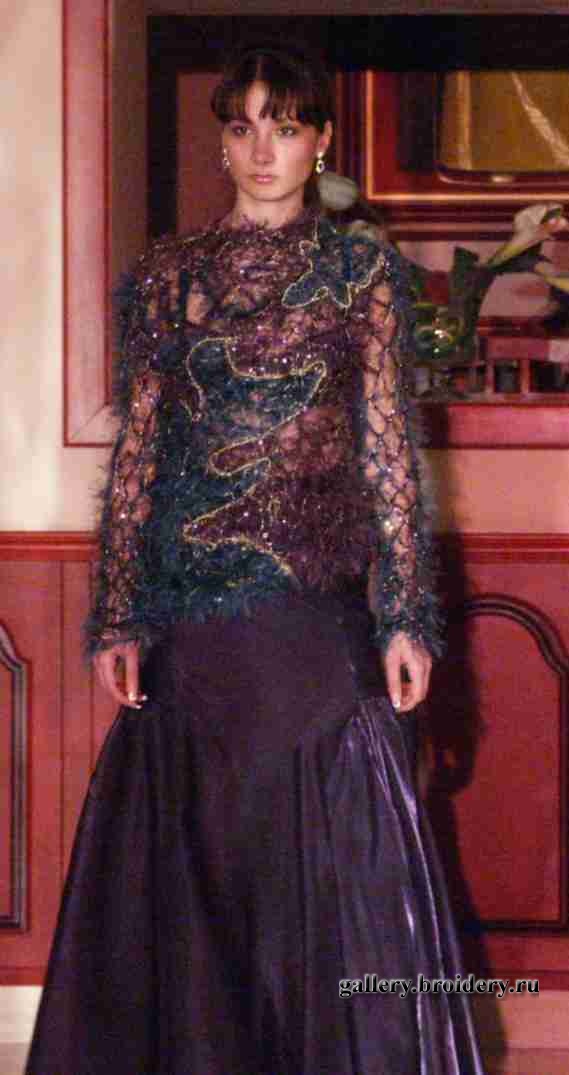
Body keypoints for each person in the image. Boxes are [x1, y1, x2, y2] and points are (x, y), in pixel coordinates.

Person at [26, 42, 485, 1075]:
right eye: (242, 128)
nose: (262, 149)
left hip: (314, 617)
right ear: (222, 144)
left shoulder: (359, 273)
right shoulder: (169, 277)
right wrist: (118, 613)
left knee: (324, 869)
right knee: (206, 865)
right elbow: (142, 450)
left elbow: (385, 451)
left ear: (318, 141)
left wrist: (405, 616)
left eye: (284, 127)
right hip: (194, 628)